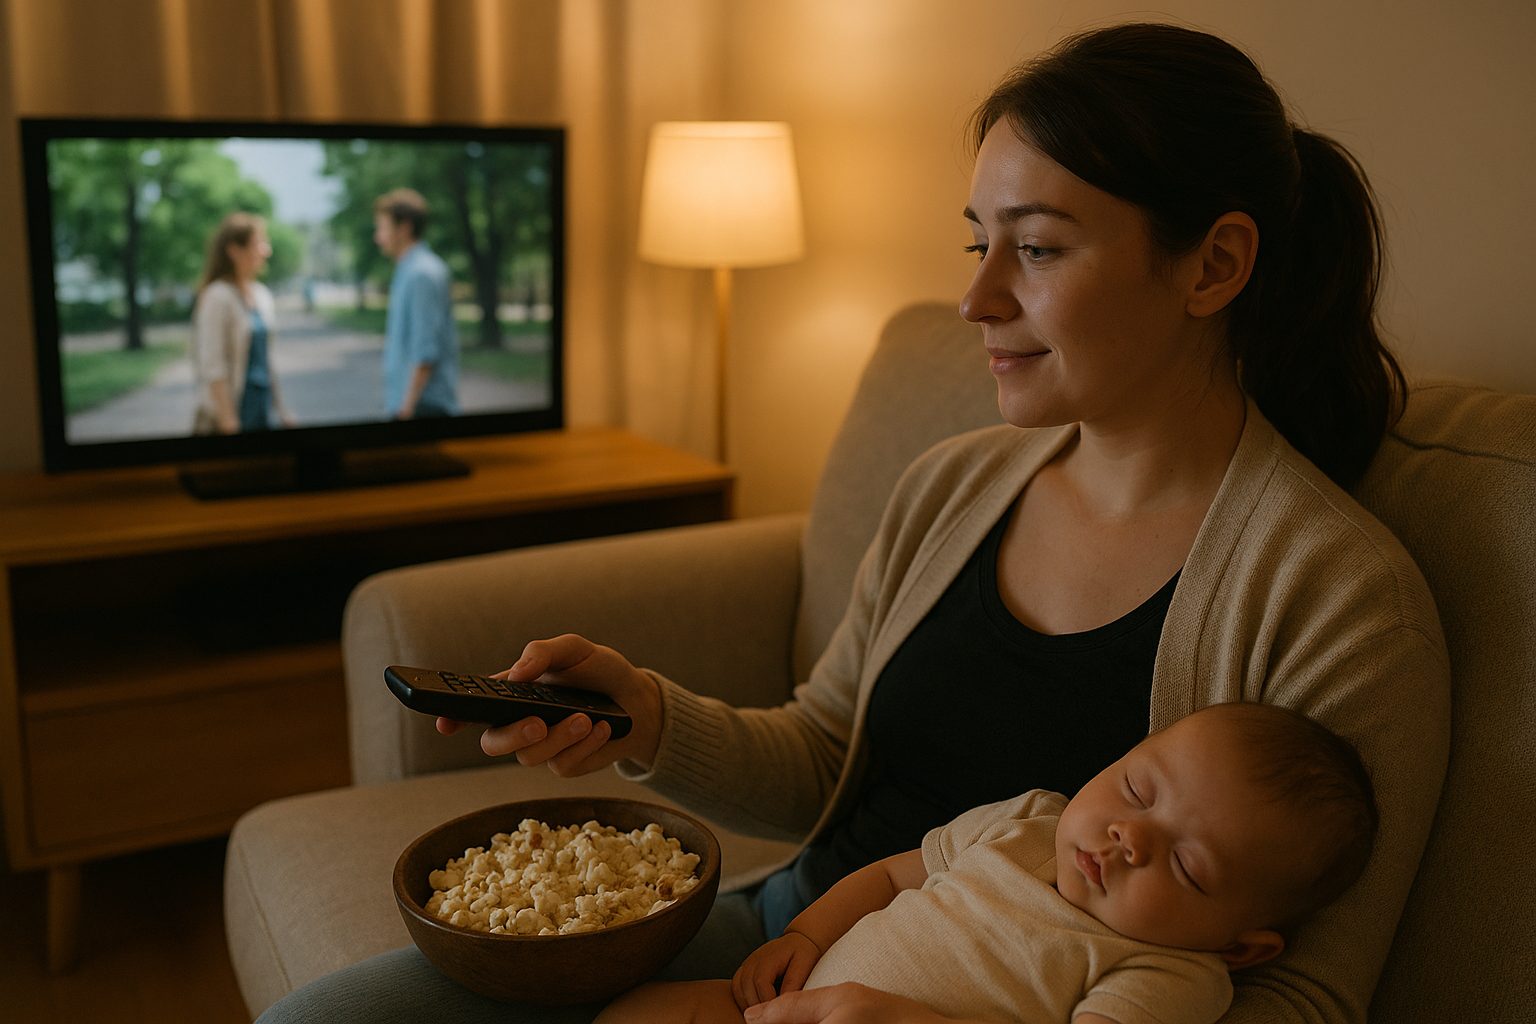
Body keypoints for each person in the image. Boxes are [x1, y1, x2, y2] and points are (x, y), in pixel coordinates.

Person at [258, 22, 1449, 1024]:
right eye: (979, 243)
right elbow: (827, 759)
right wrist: (647, 715)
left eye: (1034, 248)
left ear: (1215, 264)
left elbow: (1306, 998)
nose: (978, 298)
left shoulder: (1338, 596)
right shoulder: (955, 483)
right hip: (785, 935)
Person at [597, 703, 1378, 1024]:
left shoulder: (1167, 974)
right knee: (638, 1013)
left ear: (1243, 945)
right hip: (782, 1006)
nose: (1130, 839)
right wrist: (804, 935)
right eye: (1136, 788)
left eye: (1189, 869)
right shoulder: (1029, 822)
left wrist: (900, 1019)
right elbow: (893, 875)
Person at [190, 212, 293, 433]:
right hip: (235, 414)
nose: (267, 251)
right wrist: (229, 421)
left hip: (262, 411)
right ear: (234, 251)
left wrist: (282, 411)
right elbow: (212, 365)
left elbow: (266, 360)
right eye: (259, 244)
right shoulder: (217, 296)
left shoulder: (261, 295)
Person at [373, 187, 460, 419]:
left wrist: (406, 408)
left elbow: (425, 350)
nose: (378, 238)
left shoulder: (422, 273)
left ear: (404, 228)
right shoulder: (408, 270)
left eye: (382, 228)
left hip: (423, 408)